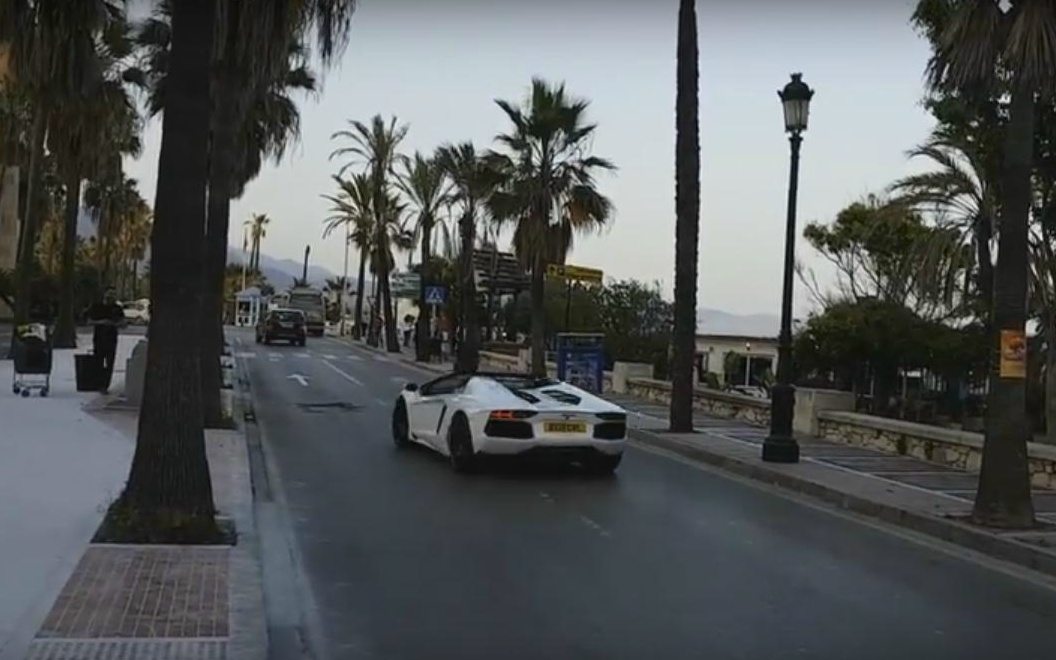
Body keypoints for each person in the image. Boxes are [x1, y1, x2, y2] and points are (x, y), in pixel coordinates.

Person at [87, 288, 126, 393]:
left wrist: (114, 324)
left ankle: (105, 385)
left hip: (111, 339)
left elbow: (123, 323)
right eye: (109, 295)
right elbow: (89, 321)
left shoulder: (117, 308)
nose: (111, 297)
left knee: (109, 363)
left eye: (113, 295)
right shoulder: (97, 307)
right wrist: (102, 322)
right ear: (105, 295)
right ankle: (99, 384)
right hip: (99, 339)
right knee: (98, 362)